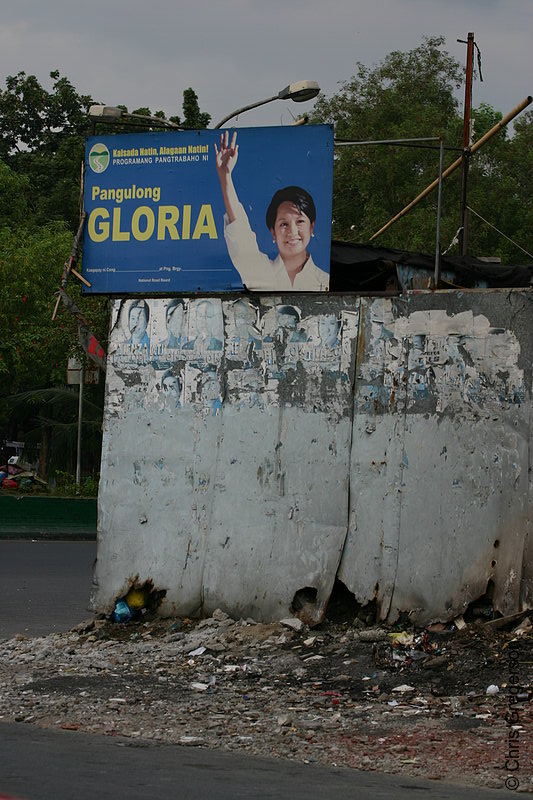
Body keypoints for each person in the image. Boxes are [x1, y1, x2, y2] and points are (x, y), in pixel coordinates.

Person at [214, 130, 329, 292]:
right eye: (283, 224)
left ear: (312, 227)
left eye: (300, 221)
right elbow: (240, 236)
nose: (292, 231)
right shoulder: (261, 273)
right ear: (273, 232)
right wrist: (225, 176)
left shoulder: (324, 283)